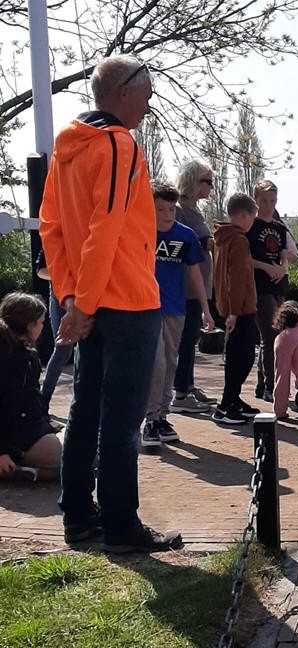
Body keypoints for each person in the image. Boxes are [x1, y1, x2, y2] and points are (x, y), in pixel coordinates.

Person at [39, 54, 182, 552]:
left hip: (90, 301)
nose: (149, 103)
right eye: (146, 93)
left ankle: (78, 516)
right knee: (121, 420)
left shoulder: (66, 151)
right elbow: (106, 229)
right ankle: (122, 527)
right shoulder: (119, 145)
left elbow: (52, 231)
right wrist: (83, 303)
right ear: (123, 91)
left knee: (85, 412)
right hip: (126, 302)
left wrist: (71, 298)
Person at [141, 181, 214, 447]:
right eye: (160, 209)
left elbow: (195, 273)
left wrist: (206, 310)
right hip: (146, 308)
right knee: (157, 362)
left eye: (171, 209)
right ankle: (149, 420)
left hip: (176, 307)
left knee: (171, 362)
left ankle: (162, 416)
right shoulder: (140, 232)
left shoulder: (185, 236)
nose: (167, 215)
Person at [171, 158, 218, 412]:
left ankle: (187, 385)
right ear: (193, 181)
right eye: (207, 181)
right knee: (186, 338)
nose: (211, 186)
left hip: (199, 283)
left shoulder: (196, 210)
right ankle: (180, 393)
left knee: (191, 337)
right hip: (185, 285)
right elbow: (178, 246)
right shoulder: (178, 210)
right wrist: (205, 244)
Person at [0, 292, 62, 482]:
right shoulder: (10, 357)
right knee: (75, 461)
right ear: (29, 325)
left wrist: (46, 421)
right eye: (41, 323)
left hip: (29, 425)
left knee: (88, 454)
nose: (43, 327)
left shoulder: (27, 352)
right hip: (16, 434)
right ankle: (13, 468)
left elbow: (31, 396)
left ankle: (25, 470)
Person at [212, 193, 261, 425]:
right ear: (243, 216)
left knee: (235, 355)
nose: (252, 222)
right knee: (242, 357)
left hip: (228, 305)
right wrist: (233, 311)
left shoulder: (222, 238)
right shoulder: (239, 240)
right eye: (252, 217)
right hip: (240, 308)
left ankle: (231, 399)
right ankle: (227, 402)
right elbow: (238, 277)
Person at [249, 179, 297, 402]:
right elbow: (243, 258)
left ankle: (262, 385)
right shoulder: (251, 225)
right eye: (264, 200)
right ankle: (271, 386)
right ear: (256, 200)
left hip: (279, 283)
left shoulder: (279, 227)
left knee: (272, 336)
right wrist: (266, 266)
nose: (268, 205)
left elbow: (291, 253)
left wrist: (281, 263)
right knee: (271, 335)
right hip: (260, 286)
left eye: (272, 200)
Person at [36, 249, 74, 412]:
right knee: (62, 349)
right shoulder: (55, 237)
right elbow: (40, 271)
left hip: (87, 295)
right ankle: (44, 400)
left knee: (89, 350)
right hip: (60, 297)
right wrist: (63, 274)